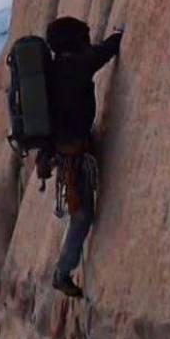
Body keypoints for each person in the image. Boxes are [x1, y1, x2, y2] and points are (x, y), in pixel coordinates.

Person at [43, 15, 123, 298]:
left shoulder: (54, 70)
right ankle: (62, 273)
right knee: (82, 216)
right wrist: (118, 35)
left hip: (67, 152)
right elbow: (103, 53)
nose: (86, 41)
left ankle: (63, 271)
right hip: (75, 153)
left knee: (81, 213)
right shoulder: (75, 66)